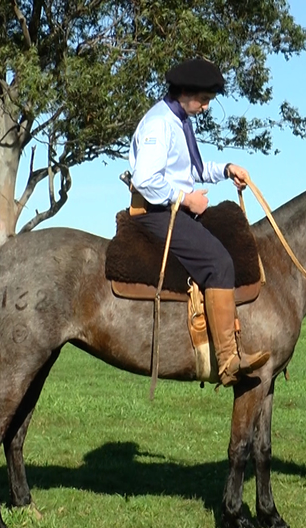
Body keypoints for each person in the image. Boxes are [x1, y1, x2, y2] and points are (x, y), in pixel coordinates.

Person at [127, 57, 269, 387]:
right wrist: (187, 199)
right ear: (185, 92)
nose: (206, 108)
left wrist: (226, 168)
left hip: (173, 208)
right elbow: (146, 179)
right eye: (204, 100)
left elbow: (191, 170)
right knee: (219, 263)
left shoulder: (180, 122)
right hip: (156, 213)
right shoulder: (159, 124)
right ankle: (229, 361)